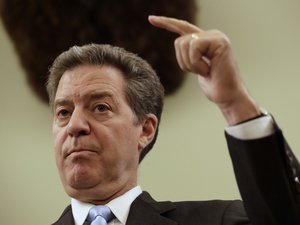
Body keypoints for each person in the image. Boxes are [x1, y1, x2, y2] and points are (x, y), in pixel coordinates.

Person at [48, 15, 300, 225]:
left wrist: (235, 103)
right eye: (63, 112)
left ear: (145, 129)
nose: (75, 126)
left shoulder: (219, 220)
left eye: (100, 107)